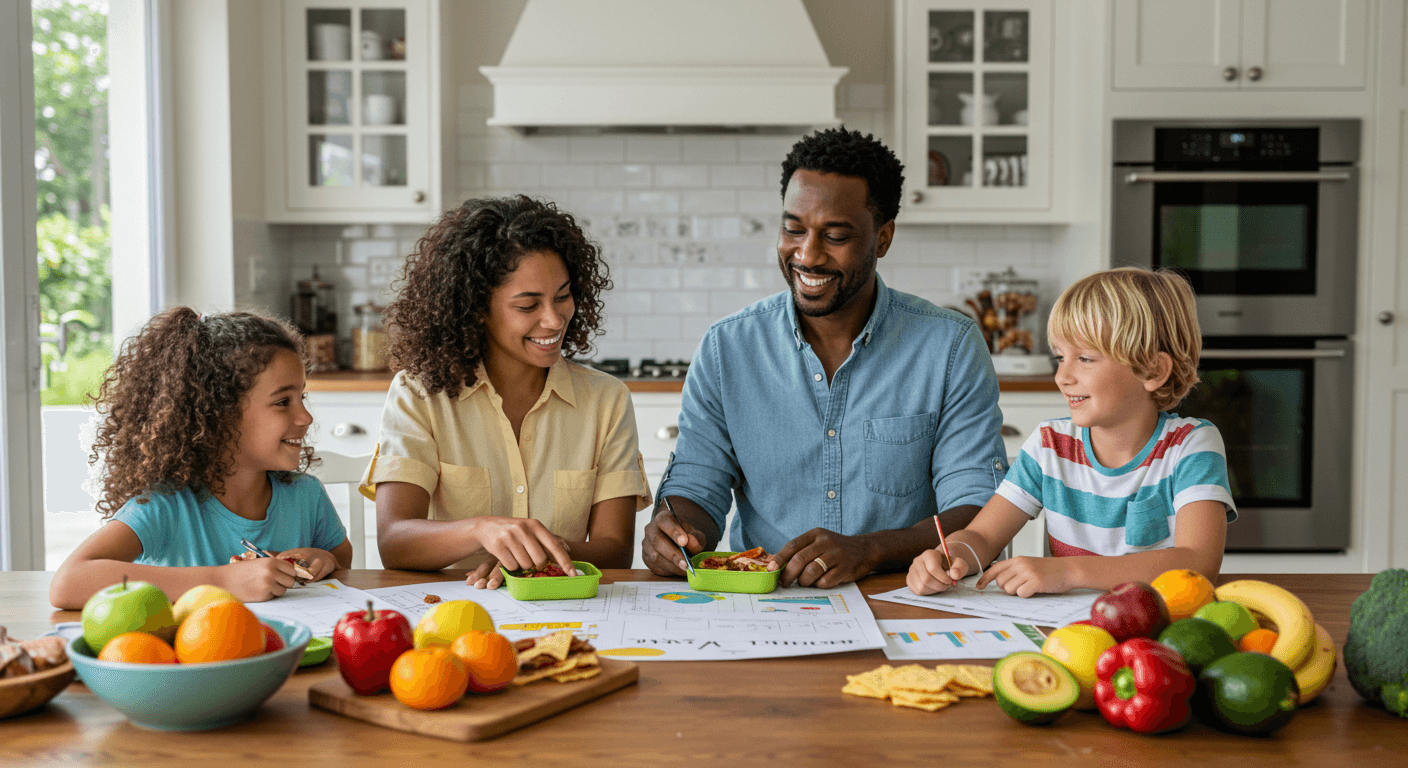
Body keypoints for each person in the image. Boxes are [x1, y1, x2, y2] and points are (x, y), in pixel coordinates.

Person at [642, 127, 1009, 588]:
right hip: (765, 601)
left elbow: (979, 507)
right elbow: (697, 486)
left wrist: (869, 550)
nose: (807, 254)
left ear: (883, 238)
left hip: (907, 595)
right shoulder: (726, 349)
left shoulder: (949, 347)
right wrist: (677, 531)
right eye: (793, 229)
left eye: (835, 235)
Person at [363, 195, 651, 589]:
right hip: (454, 612)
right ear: (476, 307)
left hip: (568, 606)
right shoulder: (419, 394)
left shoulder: (606, 399)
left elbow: (616, 550)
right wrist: (483, 530)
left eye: (562, 297)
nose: (553, 320)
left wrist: (536, 557)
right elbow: (394, 541)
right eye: (528, 305)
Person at [907, 267, 1236, 598]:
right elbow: (982, 537)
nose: (1062, 376)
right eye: (1060, 357)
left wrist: (1068, 570)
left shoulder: (1191, 445)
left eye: (1085, 358)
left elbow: (1198, 563)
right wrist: (949, 556)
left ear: (1152, 370)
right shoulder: (1050, 445)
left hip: (1161, 630)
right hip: (1073, 635)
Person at [49, 308, 352, 609]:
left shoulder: (306, 496)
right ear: (219, 414)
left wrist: (323, 558)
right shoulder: (166, 506)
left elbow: (341, 562)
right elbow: (68, 583)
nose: (306, 417)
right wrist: (222, 581)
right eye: (283, 402)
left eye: (303, 397)